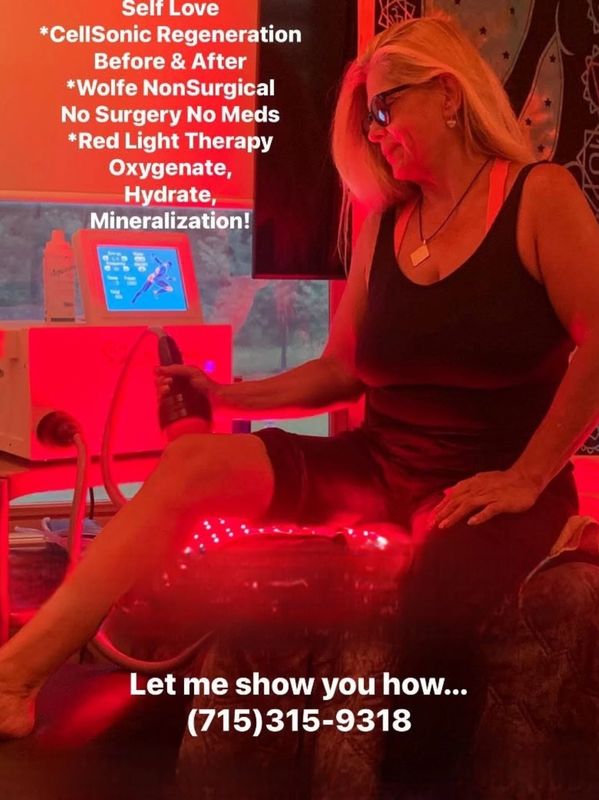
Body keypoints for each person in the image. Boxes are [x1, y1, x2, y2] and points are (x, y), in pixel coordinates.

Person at [0, 11, 598, 790]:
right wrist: (226, 393)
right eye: (365, 120)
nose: (374, 133)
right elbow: (340, 370)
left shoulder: (536, 197)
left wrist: (527, 477)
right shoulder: (387, 223)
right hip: (381, 464)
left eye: (382, 109)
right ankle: (17, 675)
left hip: (483, 482)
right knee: (194, 463)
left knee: (430, 616)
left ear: (448, 94)